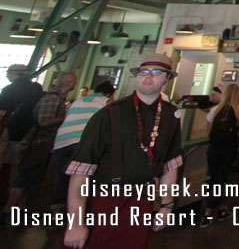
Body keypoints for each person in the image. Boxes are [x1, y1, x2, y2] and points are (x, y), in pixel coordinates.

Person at [62, 54, 182, 249]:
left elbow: (170, 164)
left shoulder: (170, 115)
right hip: (105, 199)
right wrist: (76, 223)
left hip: (143, 199)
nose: (148, 76)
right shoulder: (110, 113)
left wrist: (166, 206)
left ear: (167, 78)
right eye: (143, 72)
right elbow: (80, 172)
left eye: (156, 72)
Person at [4, 71, 77, 218]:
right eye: (74, 82)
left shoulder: (55, 98)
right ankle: (8, 211)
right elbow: (43, 121)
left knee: (29, 179)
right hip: (38, 143)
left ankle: (20, 211)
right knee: (24, 179)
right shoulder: (52, 99)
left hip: (40, 143)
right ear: (69, 83)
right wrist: (65, 118)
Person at [50, 81, 115, 209]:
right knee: (84, 179)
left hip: (62, 141)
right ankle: (80, 214)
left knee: (64, 179)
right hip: (83, 141)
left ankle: (55, 215)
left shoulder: (79, 101)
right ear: (109, 94)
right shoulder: (107, 103)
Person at [201, 83, 239, 227]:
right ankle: (208, 211)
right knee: (220, 179)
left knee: (217, 177)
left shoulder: (214, 110)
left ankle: (221, 209)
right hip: (229, 149)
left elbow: (208, 131)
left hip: (214, 149)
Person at [0, 63, 42, 209]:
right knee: (16, 169)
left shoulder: (9, 89)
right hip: (29, 133)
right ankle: (14, 205)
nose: (6, 75)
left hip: (9, 132)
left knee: (5, 164)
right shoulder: (37, 88)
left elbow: (2, 113)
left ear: (14, 73)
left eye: (8, 72)